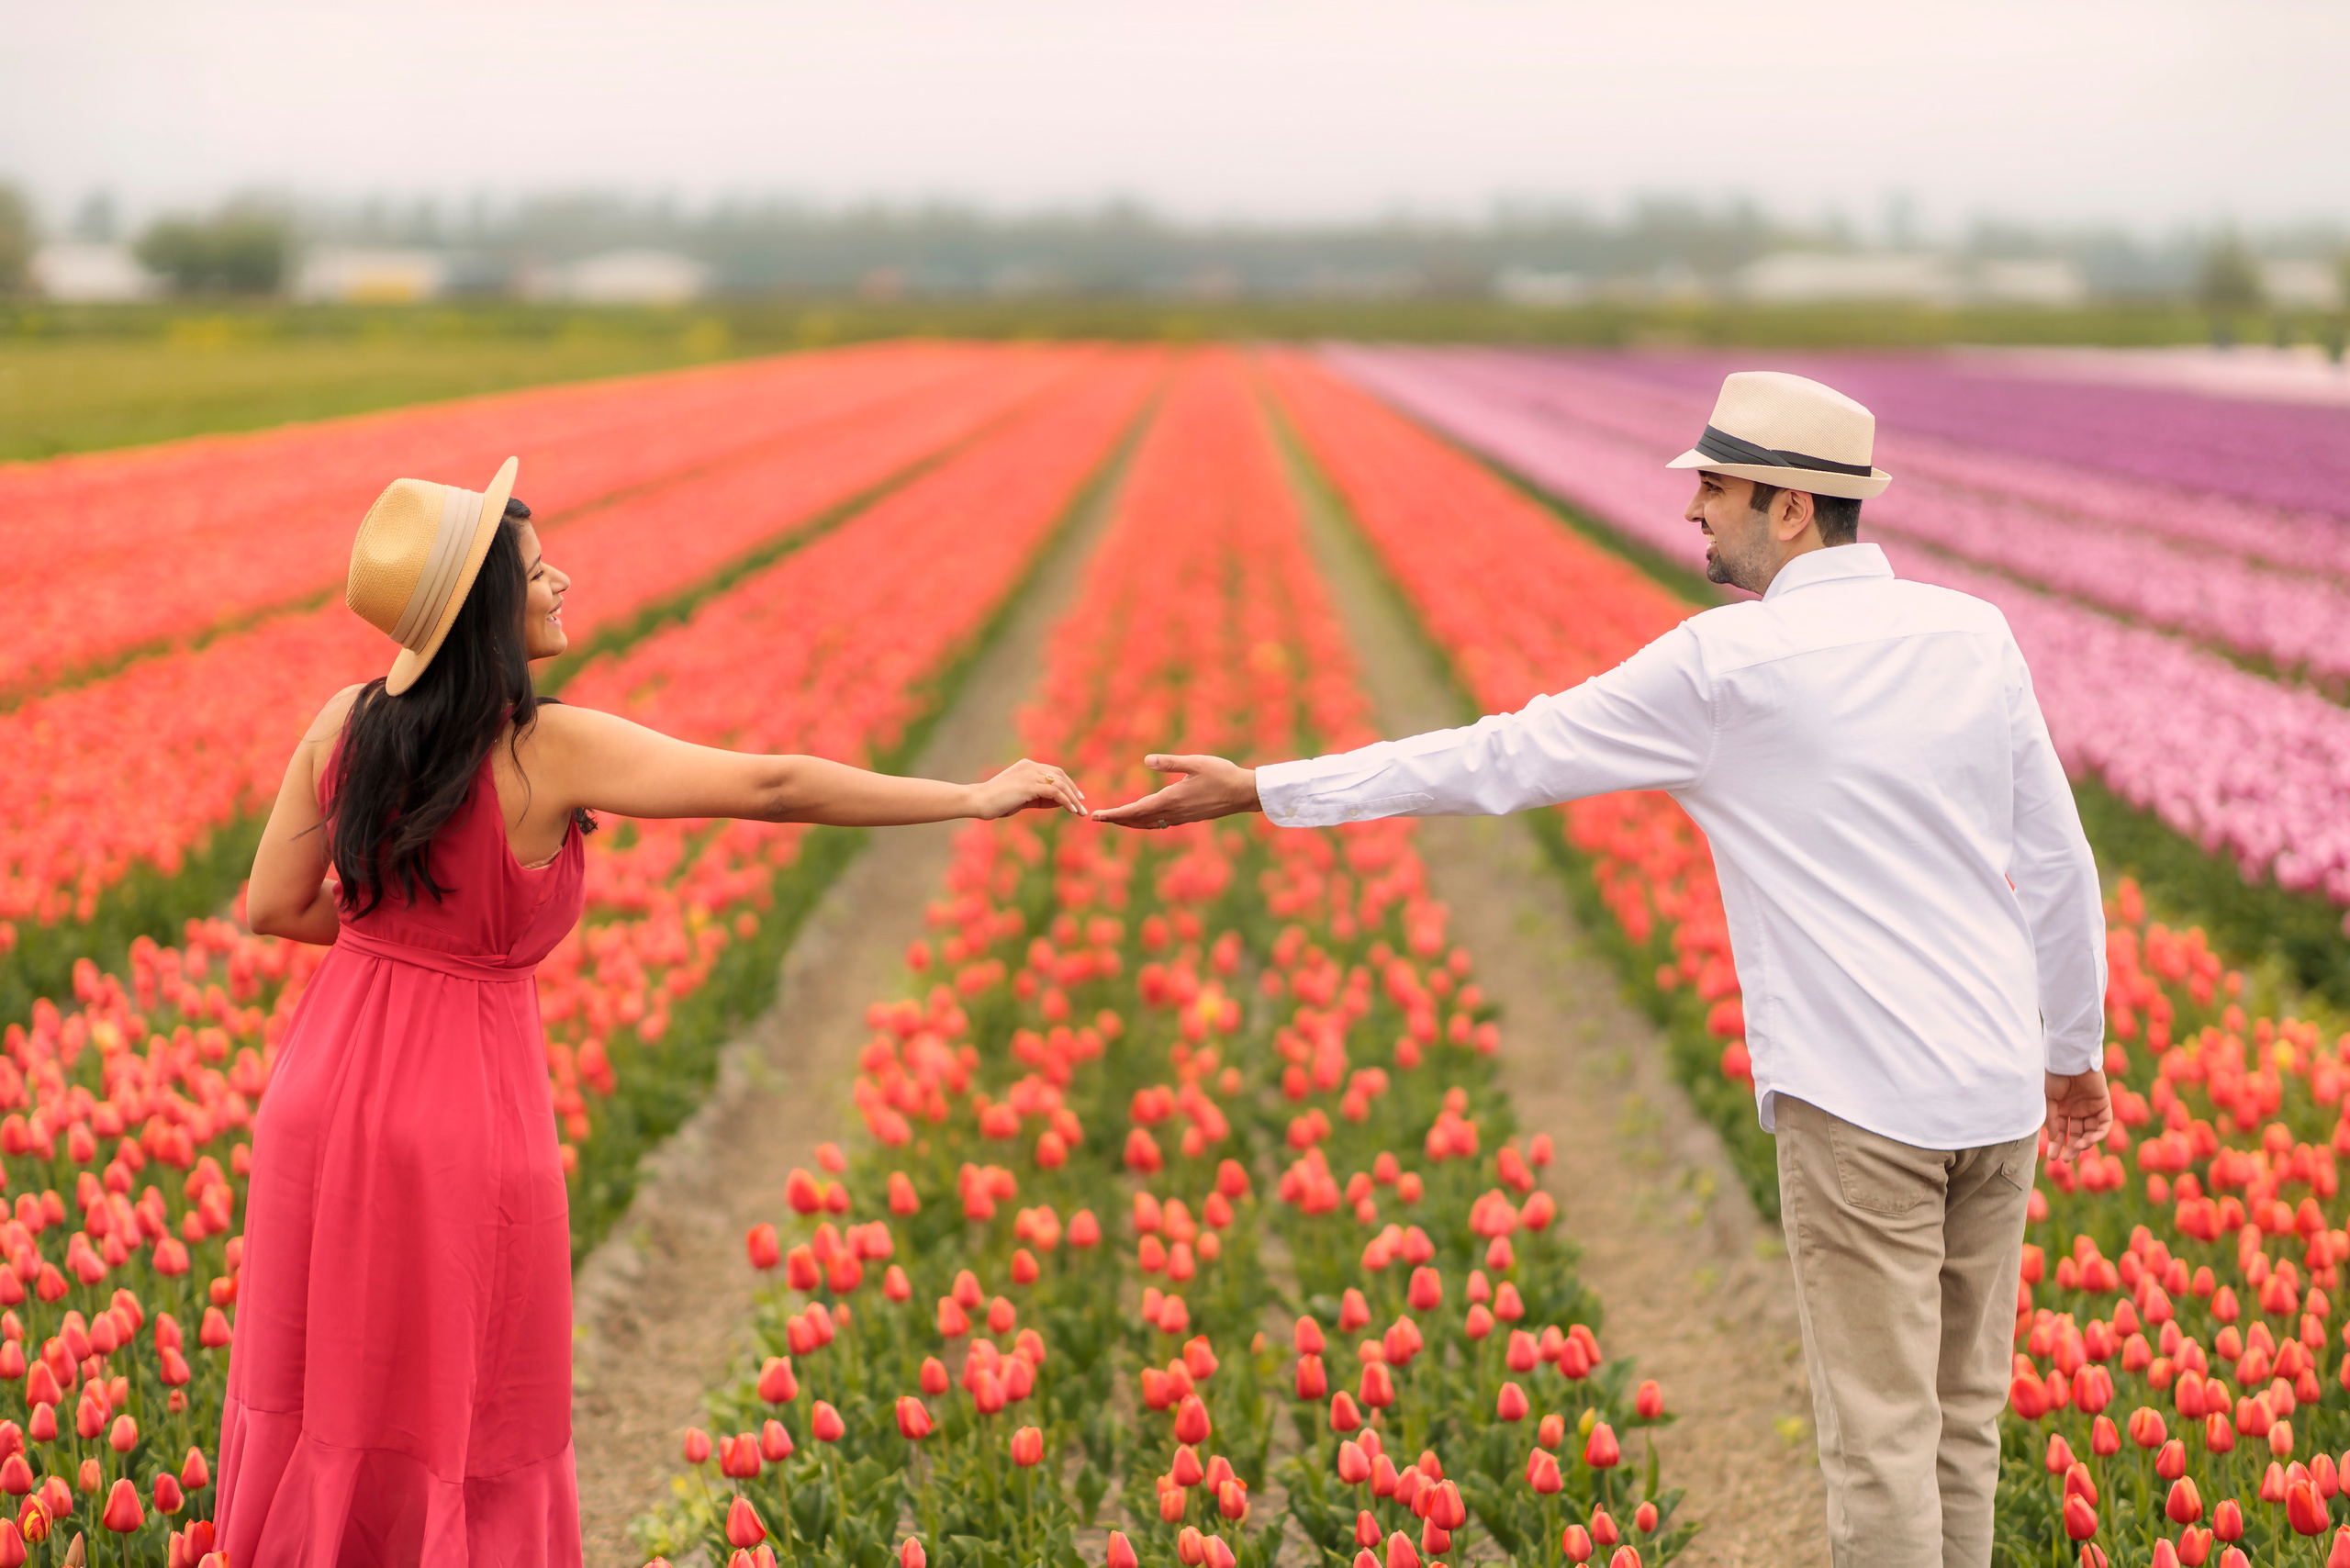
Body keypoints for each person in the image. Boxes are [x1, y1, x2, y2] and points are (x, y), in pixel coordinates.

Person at [1096, 372, 2110, 1566]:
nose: (1693, 512)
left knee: (1882, 1437)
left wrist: (1265, 787)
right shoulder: (1969, 632)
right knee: (1961, 1428)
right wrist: (2073, 1055)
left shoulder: (1726, 668)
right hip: (1996, 1095)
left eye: (1717, 489)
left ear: (1789, 510)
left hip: (1863, 1107)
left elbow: (1502, 757)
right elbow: (2055, 859)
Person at [221, 459, 1085, 1563]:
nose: (562, 582)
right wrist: (967, 794)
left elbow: (273, 906)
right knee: (469, 1400)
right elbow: (769, 786)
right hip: (463, 1105)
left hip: (322, 1085)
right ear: (490, 609)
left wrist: (400, 947)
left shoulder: (345, 722)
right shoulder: (548, 746)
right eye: (538, 573)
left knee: (323, 1378)